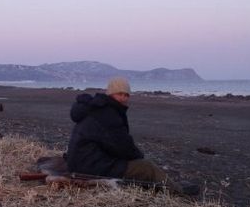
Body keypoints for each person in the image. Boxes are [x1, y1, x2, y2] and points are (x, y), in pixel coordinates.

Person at [65, 77, 199, 195]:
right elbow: (122, 146)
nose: (124, 98)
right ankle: (178, 192)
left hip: (83, 161)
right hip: (90, 166)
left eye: (126, 95)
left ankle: (167, 186)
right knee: (147, 167)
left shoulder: (97, 109)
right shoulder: (107, 114)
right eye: (120, 94)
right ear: (111, 94)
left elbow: (111, 143)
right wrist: (138, 157)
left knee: (138, 164)